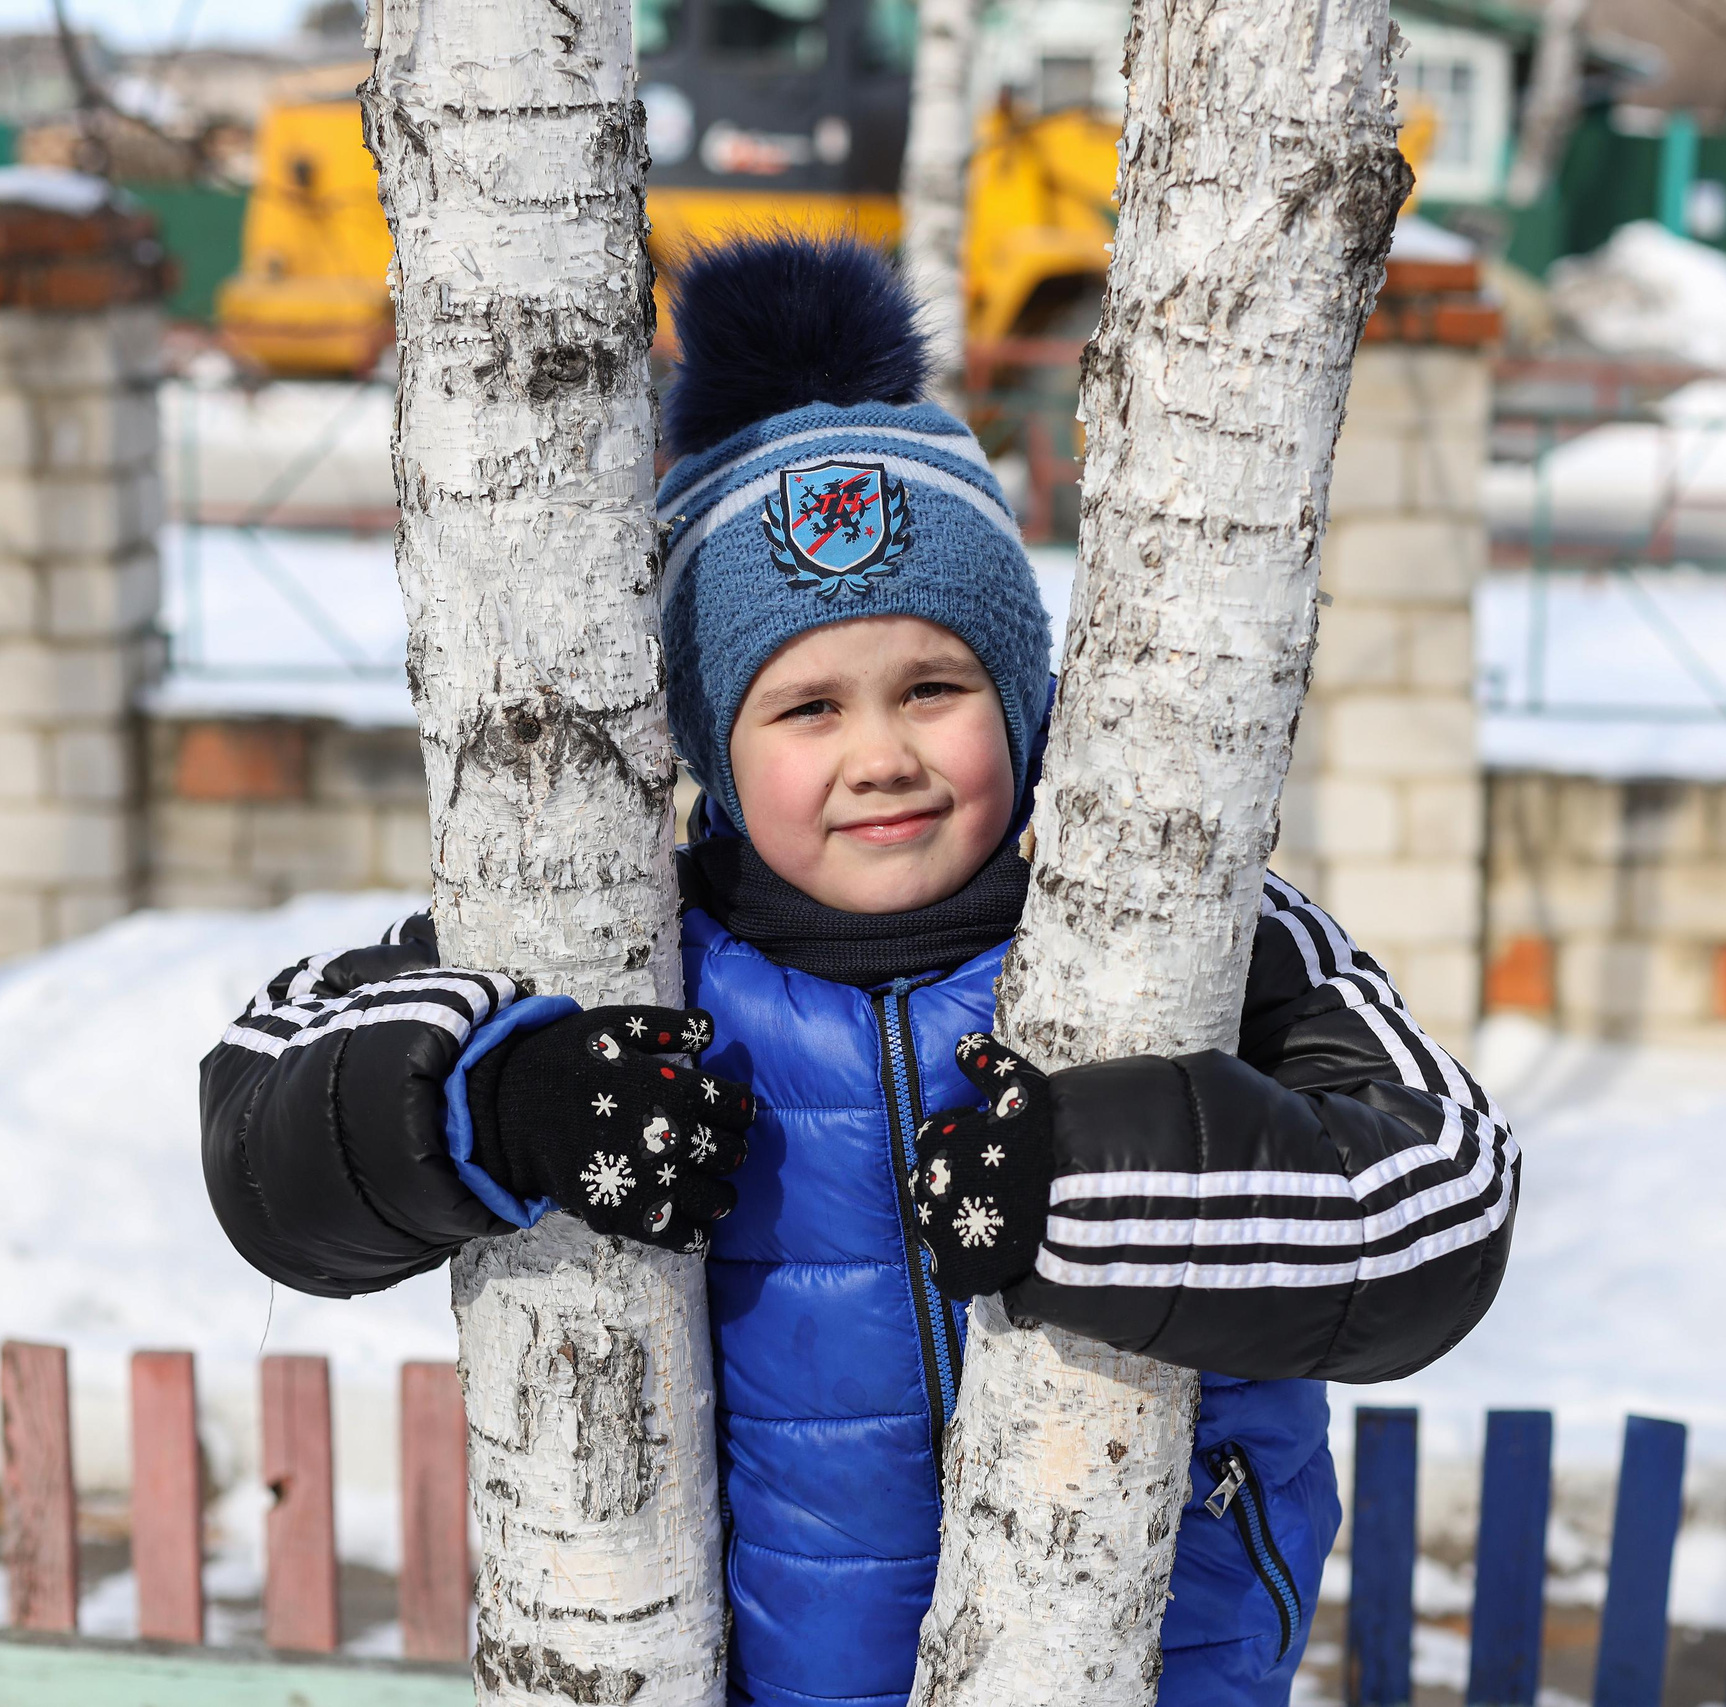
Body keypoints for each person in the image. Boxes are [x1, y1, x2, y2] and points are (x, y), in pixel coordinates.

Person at [202, 234, 1517, 1707]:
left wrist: (1092, 1188)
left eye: (936, 688)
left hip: (1148, 1669)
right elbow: (265, 1121)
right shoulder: (637, 954)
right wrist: (509, 1109)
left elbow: (1440, 1205)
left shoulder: (1204, 938)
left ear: (1020, 698)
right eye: (806, 707)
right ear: (710, 744)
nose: (880, 755)